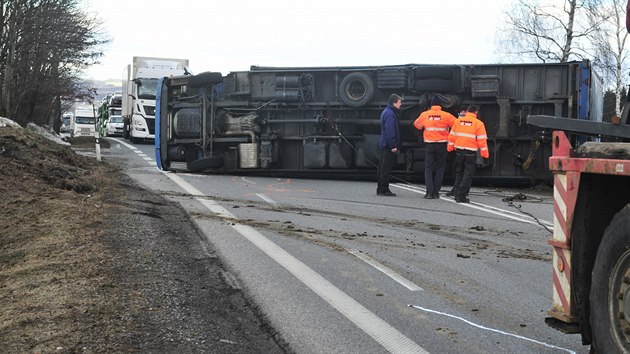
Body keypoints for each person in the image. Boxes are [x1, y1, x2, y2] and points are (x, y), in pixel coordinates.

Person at [413, 96, 456, 199]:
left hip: (429, 145)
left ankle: (429, 192)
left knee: (428, 168)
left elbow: (417, 125)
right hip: (442, 145)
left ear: (431, 105)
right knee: (440, 168)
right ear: (440, 105)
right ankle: (436, 193)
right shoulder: (446, 115)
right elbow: (457, 124)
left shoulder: (425, 115)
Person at [447, 105, 489, 203]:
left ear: (467, 111)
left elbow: (452, 136)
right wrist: (485, 154)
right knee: (468, 175)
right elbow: (482, 141)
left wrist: (450, 147)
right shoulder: (479, 124)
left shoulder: (458, 121)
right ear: (476, 112)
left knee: (459, 173)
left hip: (459, 152)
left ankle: (456, 192)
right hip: (470, 153)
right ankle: (461, 196)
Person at [377, 94, 402, 196]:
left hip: (384, 143)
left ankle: (380, 189)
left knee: (382, 168)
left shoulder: (386, 112)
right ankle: (384, 189)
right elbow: (390, 131)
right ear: (394, 102)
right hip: (388, 145)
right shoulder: (391, 114)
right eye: (399, 102)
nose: (401, 104)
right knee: (385, 168)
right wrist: (393, 145)